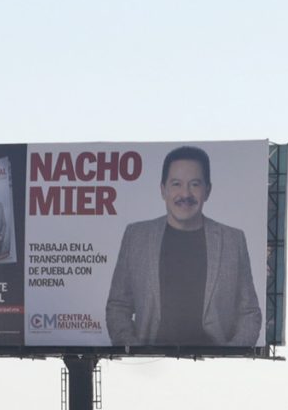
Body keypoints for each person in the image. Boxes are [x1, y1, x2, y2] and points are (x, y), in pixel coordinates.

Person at [103, 145, 264, 348]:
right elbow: (118, 306)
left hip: (216, 363)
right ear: (163, 190)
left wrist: (230, 353)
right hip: (149, 361)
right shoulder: (137, 236)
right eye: (176, 184)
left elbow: (249, 312)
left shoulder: (233, 240)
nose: (185, 193)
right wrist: (132, 348)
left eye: (195, 184)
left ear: (208, 190)